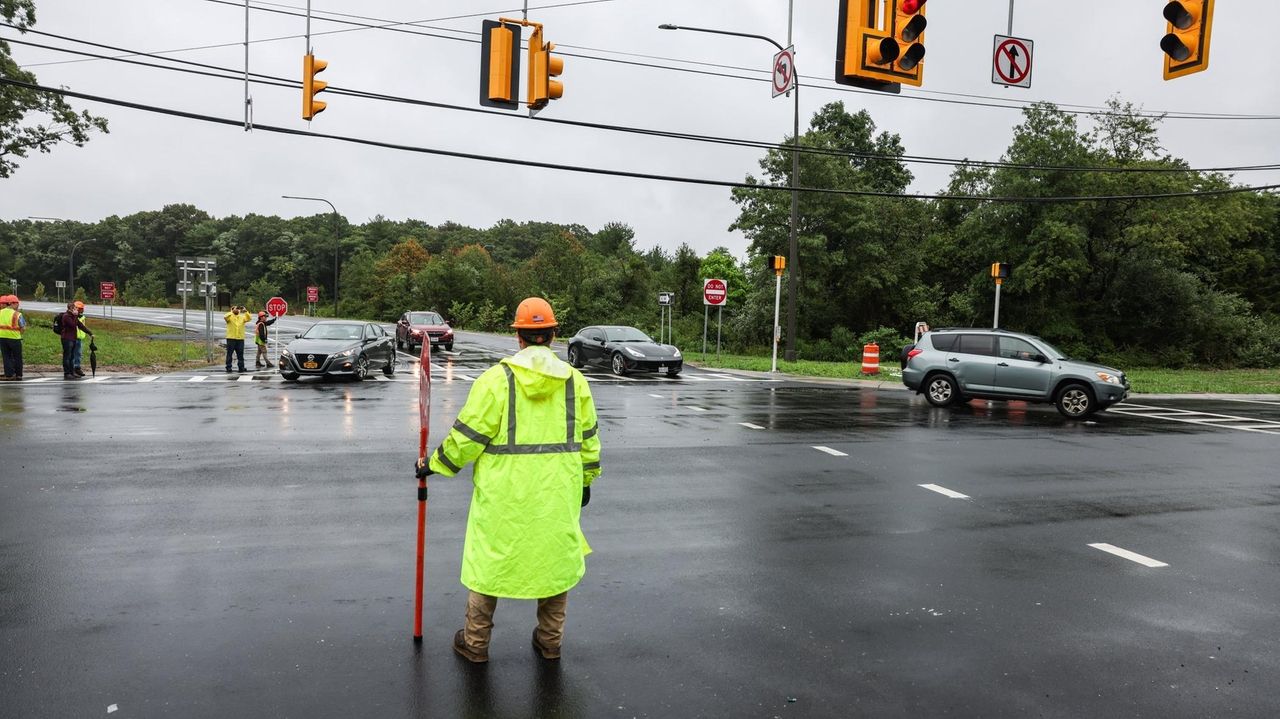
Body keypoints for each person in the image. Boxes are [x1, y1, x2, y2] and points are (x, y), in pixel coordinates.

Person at [416, 297, 601, 664]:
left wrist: (433, 464)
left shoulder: (495, 380)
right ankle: (550, 642)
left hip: (504, 497)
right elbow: (589, 439)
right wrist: (586, 480)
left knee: (489, 563)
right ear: (552, 335)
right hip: (556, 493)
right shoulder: (575, 382)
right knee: (554, 564)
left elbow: (467, 438)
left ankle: (475, 643)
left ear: (518, 337)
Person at [57, 301, 92, 380]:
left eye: (76, 309)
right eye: (75, 309)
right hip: (66, 338)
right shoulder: (66, 316)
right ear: (70, 309)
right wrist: (76, 316)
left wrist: (90, 333)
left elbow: (81, 326)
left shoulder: (73, 316)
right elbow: (73, 325)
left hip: (73, 338)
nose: (76, 310)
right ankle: (67, 373)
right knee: (67, 356)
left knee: (72, 356)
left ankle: (72, 372)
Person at [0, 295, 25, 381]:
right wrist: (19, 334)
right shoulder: (17, 314)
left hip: (2, 338)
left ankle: (9, 375)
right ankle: (18, 375)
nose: (18, 305)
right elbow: (23, 327)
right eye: (17, 303)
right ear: (12, 303)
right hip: (15, 339)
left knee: (6, 357)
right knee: (17, 357)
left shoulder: (0, 312)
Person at [223, 305, 252, 373]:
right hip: (231, 338)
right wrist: (232, 311)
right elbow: (225, 316)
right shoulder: (229, 317)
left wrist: (245, 311)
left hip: (240, 339)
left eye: (238, 309)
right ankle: (228, 367)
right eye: (236, 309)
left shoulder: (241, 317)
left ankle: (241, 367)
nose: (237, 310)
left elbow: (249, 318)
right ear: (232, 310)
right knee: (229, 354)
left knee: (240, 354)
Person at [72, 300, 88, 377]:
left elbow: (83, 327)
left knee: (78, 354)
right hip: (73, 338)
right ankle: (73, 368)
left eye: (82, 309)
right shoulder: (73, 317)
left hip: (79, 338)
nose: (81, 310)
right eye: (80, 309)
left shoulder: (82, 317)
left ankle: (77, 367)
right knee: (73, 354)